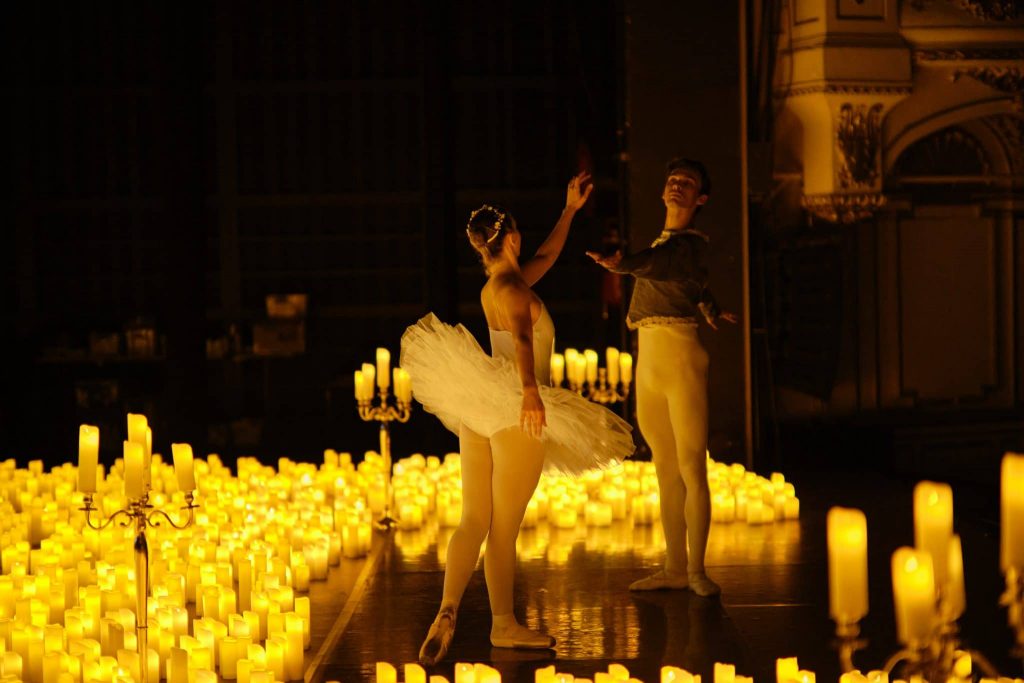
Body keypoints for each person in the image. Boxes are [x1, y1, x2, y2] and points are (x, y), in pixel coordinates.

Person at [401, 173, 635, 665]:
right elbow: (524, 340)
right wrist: (531, 392)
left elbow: (546, 257)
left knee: (473, 519)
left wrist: (569, 210)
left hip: (479, 409)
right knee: (502, 529)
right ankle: (502, 624)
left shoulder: (499, 284)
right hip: (514, 412)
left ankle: (447, 608)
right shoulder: (514, 292)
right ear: (510, 239)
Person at [587, 157, 737, 597]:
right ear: (662, 191)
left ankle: (697, 571)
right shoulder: (670, 246)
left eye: (687, 183)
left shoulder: (685, 245)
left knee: (692, 466)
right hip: (649, 363)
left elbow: (662, 264)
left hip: (680, 361)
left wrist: (622, 263)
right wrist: (710, 306)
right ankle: (674, 567)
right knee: (665, 469)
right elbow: (690, 281)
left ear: (700, 198)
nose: (677, 186)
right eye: (672, 180)